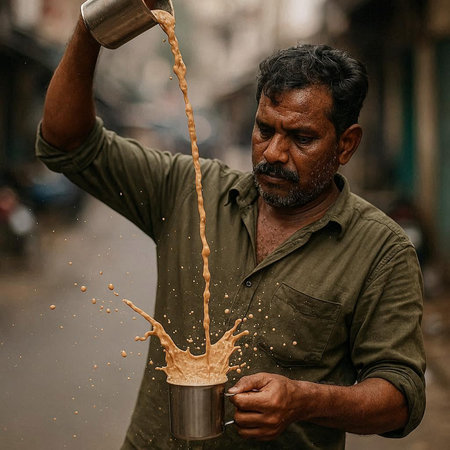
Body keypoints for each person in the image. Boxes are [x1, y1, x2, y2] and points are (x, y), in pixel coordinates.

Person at [35, 12, 425, 450]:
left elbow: (401, 397)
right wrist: (90, 30)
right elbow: (66, 142)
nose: (274, 152)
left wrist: (303, 400)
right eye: (264, 129)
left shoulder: (381, 250)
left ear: (346, 144)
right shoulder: (191, 191)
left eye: (301, 138)